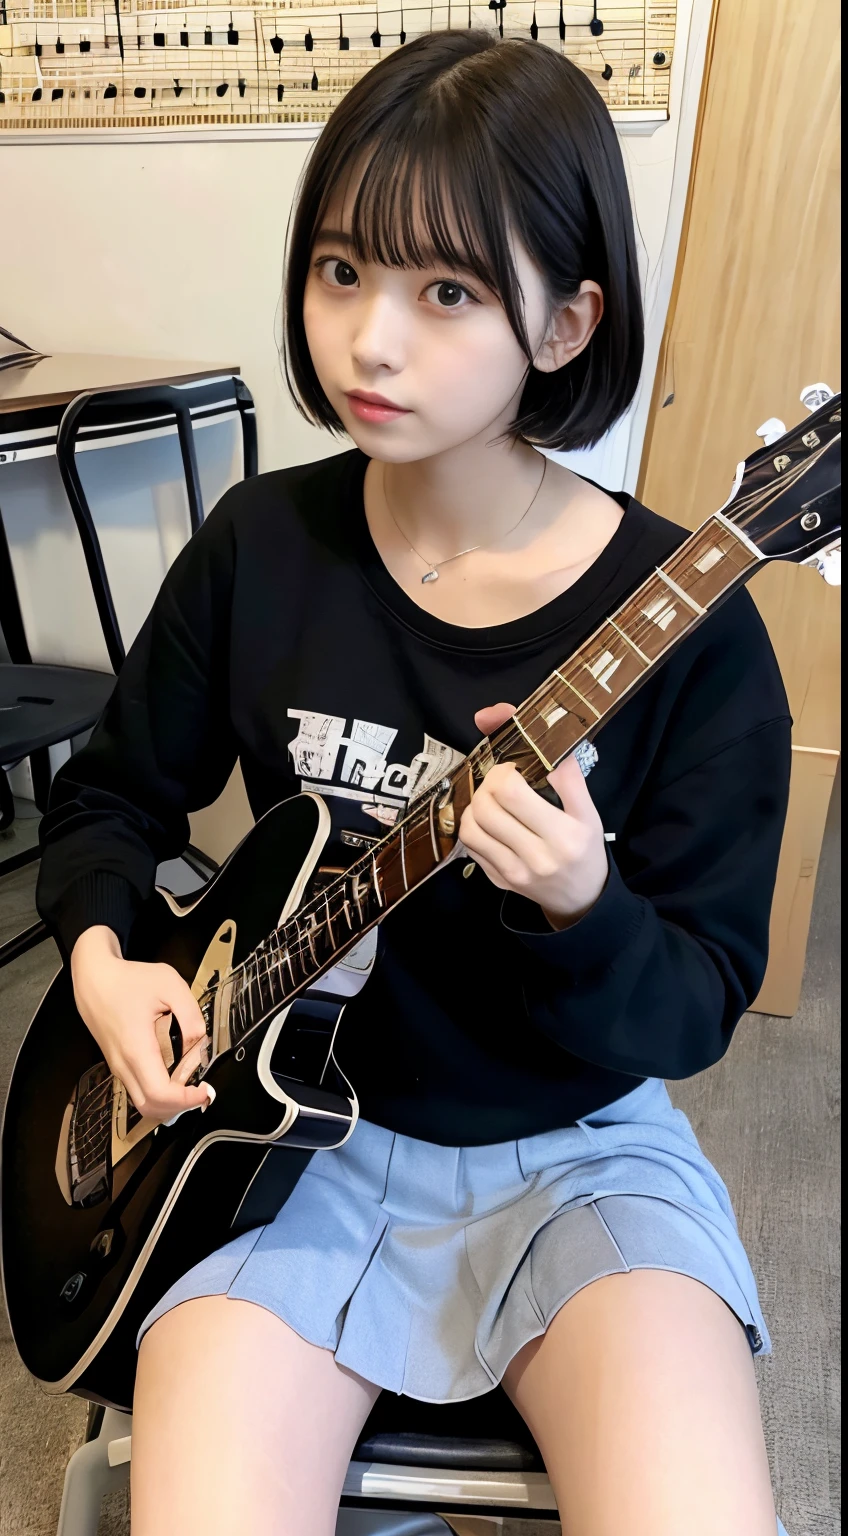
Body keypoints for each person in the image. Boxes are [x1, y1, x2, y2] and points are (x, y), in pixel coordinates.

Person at [35, 30, 793, 1536]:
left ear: (568, 324)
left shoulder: (690, 629)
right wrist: (108, 962)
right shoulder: (260, 548)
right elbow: (110, 802)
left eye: (446, 292)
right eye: (339, 272)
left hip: (582, 1154)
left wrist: (580, 901)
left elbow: (694, 1004)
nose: (370, 341)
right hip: (285, 1156)